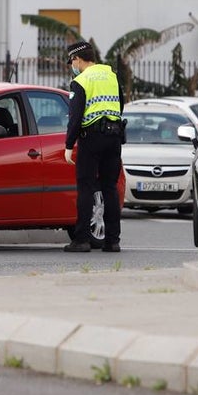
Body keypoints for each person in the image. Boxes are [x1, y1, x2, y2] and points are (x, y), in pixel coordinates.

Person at [63, 41, 124, 253]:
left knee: (86, 187)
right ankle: (112, 241)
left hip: (91, 138)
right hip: (114, 136)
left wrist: (69, 144)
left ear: (78, 59)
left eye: (72, 61)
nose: (73, 65)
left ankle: (81, 240)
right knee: (110, 188)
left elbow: (75, 116)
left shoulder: (81, 80)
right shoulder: (112, 76)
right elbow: (121, 105)